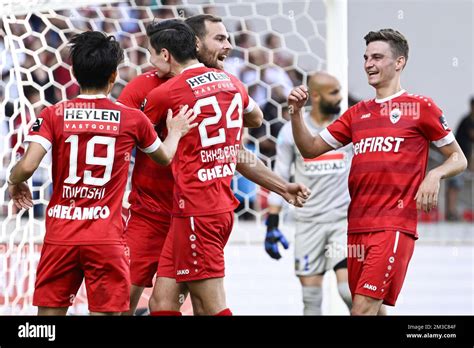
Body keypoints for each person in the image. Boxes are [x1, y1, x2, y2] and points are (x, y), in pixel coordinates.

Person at [118, 14, 310, 315]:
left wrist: (280, 186)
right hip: (155, 214)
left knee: (206, 306)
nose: (228, 46)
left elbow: (235, 150)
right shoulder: (148, 89)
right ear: (195, 43)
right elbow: (117, 143)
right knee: (152, 302)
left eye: (227, 38)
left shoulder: (207, 87)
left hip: (195, 210)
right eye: (219, 39)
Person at [7, 31, 197, 316]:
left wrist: (15, 180)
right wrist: (177, 131)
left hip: (61, 236)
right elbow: (164, 158)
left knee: (46, 321)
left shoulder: (54, 114)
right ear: (113, 75)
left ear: (74, 73)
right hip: (106, 238)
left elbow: (28, 165)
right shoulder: (132, 119)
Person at [288, 29, 467, 315]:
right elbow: (310, 148)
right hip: (357, 226)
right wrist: (296, 113)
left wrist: (434, 175)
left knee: (361, 309)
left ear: (399, 63)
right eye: (366, 57)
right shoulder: (356, 113)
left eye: (377, 57)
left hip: (393, 225)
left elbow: (458, 158)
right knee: (367, 307)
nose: (369, 63)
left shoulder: (421, 107)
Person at [266, 72, 353, 315]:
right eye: (334, 92)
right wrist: (272, 222)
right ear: (315, 96)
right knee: (311, 302)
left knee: (349, 292)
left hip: (342, 223)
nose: (340, 97)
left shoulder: (347, 127)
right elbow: (280, 175)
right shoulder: (290, 131)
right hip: (307, 224)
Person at [445, 97, 474, 220]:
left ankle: (453, 212)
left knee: (457, 186)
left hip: (463, 160)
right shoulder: (467, 121)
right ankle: (451, 212)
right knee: (454, 186)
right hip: (456, 159)